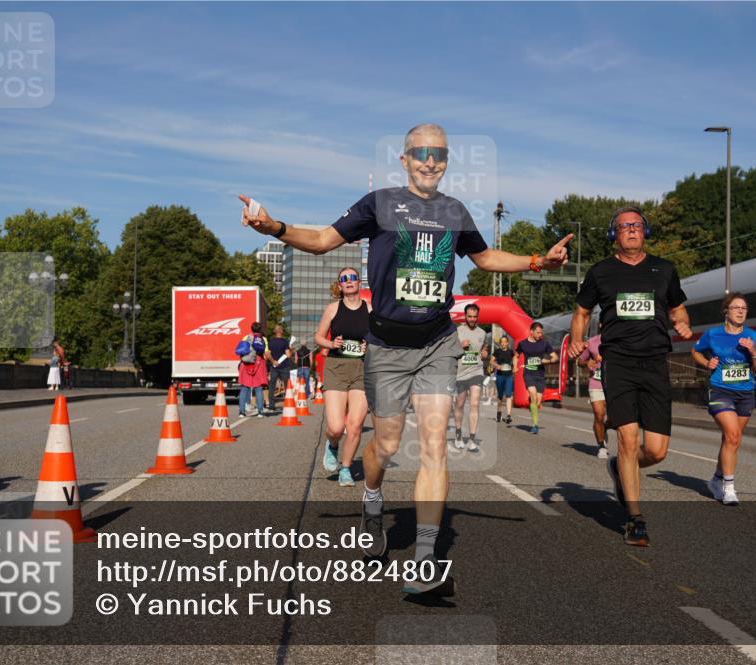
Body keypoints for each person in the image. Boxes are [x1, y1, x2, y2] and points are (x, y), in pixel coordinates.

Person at [241, 123, 573, 596]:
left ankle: (423, 562)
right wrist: (273, 227)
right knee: (388, 447)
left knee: (435, 445)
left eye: (439, 153)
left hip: (438, 341)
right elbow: (320, 239)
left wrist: (537, 261)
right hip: (387, 347)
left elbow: (485, 259)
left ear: (446, 160)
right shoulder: (378, 203)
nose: (430, 160)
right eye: (420, 152)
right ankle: (372, 498)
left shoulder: (454, 211)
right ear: (404, 159)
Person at [569, 206, 691, 547]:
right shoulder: (601, 272)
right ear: (614, 235)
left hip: (654, 362)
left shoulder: (664, 269)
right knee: (626, 438)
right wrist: (577, 340)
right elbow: (581, 311)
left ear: (645, 231)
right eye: (624, 227)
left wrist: (681, 320)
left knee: (656, 451)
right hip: (618, 362)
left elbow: (678, 306)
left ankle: (622, 470)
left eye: (637, 225)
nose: (632, 230)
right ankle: (635, 519)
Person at [691, 293, 756, 506]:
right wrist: (706, 363)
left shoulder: (754, 336)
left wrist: (752, 352)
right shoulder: (712, 334)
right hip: (720, 390)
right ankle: (729, 488)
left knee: (731, 440)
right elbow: (695, 352)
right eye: (736, 307)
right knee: (732, 435)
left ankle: (716, 479)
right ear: (726, 311)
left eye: (744, 308)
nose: (741, 311)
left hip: (745, 393)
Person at [314, 267, 371, 487]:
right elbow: (318, 336)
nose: (348, 281)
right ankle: (332, 444)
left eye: (352, 278)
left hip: (362, 369)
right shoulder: (332, 308)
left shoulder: (370, 309)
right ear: (340, 285)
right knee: (337, 427)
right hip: (336, 367)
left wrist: (370, 344)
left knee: (355, 426)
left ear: (359, 283)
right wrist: (331, 343)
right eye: (344, 279)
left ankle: (345, 468)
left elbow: (379, 336)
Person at [452, 303, 488, 452]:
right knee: (459, 404)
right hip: (460, 373)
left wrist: (485, 353)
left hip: (476, 371)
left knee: (474, 403)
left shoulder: (482, 333)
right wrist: (460, 345)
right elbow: (449, 350)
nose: (472, 319)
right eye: (470, 316)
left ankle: (472, 439)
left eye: (475, 317)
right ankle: (458, 434)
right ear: (465, 316)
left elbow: (484, 348)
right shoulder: (457, 331)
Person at [516, 322, 556, 434]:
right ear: (531, 332)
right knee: (533, 395)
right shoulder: (523, 344)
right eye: (538, 332)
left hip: (540, 375)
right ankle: (535, 425)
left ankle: (532, 404)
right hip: (528, 373)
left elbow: (554, 357)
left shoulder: (544, 344)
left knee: (538, 402)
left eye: (541, 332)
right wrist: (515, 367)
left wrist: (547, 361)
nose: (540, 334)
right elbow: (516, 356)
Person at [576, 330, 609, 458]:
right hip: (597, 383)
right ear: (602, 325)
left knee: (616, 419)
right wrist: (587, 363)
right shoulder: (592, 342)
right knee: (599, 414)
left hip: (615, 384)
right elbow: (580, 361)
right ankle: (601, 446)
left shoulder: (620, 338)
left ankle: (603, 428)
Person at [237, 322, 269, 418]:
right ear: (260, 329)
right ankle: (260, 411)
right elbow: (266, 354)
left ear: (251, 329)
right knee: (258, 388)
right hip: (258, 364)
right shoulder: (263, 339)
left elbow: (241, 351)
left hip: (246, 364)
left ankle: (242, 412)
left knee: (244, 388)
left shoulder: (246, 337)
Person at [267, 324, 293, 412]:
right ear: (281, 331)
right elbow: (288, 355)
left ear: (275, 332)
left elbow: (267, 354)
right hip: (284, 366)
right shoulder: (285, 342)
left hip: (274, 366)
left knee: (272, 386)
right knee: (287, 385)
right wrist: (291, 350)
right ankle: (288, 404)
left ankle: (271, 405)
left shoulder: (271, 341)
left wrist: (273, 361)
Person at [491, 335, 515, 424]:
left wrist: (515, 367)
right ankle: (499, 412)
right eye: (502, 342)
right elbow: (491, 361)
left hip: (509, 375)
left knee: (509, 395)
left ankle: (508, 415)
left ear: (508, 343)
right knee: (500, 396)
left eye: (505, 342)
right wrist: (497, 366)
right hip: (500, 376)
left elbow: (515, 359)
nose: (503, 343)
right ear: (500, 343)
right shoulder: (497, 351)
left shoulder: (510, 352)